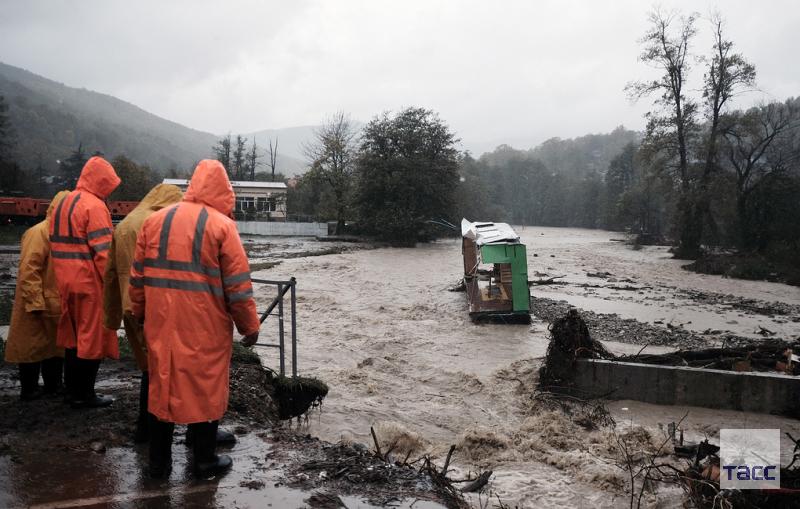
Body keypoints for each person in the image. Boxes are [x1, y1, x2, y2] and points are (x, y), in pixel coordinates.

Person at [129, 159, 259, 479]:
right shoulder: (222, 226)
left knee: (162, 386)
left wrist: (140, 313)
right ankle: (204, 460)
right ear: (223, 190)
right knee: (205, 388)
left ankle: (158, 464)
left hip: (160, 323)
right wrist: (249, 327)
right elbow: (238, 288)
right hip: (205, 327)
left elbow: (138, 278)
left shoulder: (154, 221)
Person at [103, 183, 183, 441]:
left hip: (130, 305)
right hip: (152, 307)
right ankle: (152, 430)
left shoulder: (126, 223)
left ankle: (144, 427)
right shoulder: (158, 223)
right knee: (160, 372)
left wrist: (111, 316)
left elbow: (111, 273)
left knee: (149, 368)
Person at [49, 156, 121, 408]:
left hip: (66, 282)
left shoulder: (63, 203)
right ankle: (85, 395)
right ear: (101, 181)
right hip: (90, 286)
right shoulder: (95, 207)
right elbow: (105, 255)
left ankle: (71, 392)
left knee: (73, 340)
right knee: (92, 341)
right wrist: (115, 289)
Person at [4, 191, 69, 400]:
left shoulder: (60, 234)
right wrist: (35, 302)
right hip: (36, 304)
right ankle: (29, 389)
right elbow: (29, 270)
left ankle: (53, 386)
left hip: (53, 302)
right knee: (30, 348)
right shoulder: (39, 232)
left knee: (55, 348)